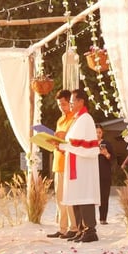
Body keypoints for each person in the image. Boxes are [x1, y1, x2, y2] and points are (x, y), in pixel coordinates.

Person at [52, 89, 101, 243]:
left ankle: (90, 230)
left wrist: (64, 145)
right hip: (75, 165)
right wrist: (61, 144)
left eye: (73, 102)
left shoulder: (86, 119)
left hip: (83, 167)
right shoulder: (77, 119)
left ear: (81, 102)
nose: (71, 104)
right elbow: (72, 142)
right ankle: (81, 229)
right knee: (76, 197)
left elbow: (87, 145)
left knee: (84, 196)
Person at [47, 89, 79, 239]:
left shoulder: (75, 119)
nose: (62, 107)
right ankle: (62, 228)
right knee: (60, 198)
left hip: (69, 162)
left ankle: (74, 227)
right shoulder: (60, 120)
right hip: (58, 161)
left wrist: (63, 137)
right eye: (59, 105)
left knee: (70, 197)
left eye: (64, 104)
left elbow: (74, 140)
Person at [95, 124, 115, 225]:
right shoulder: (89, 144)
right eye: (96, 132)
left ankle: (103, 218)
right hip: (92, 175)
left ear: (102, 133)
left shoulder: (107, 144)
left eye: (99, 132)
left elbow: (113, 159)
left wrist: (106, 154)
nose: (98, 134)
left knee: (104, 196)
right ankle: (90, 219)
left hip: (104, 174)